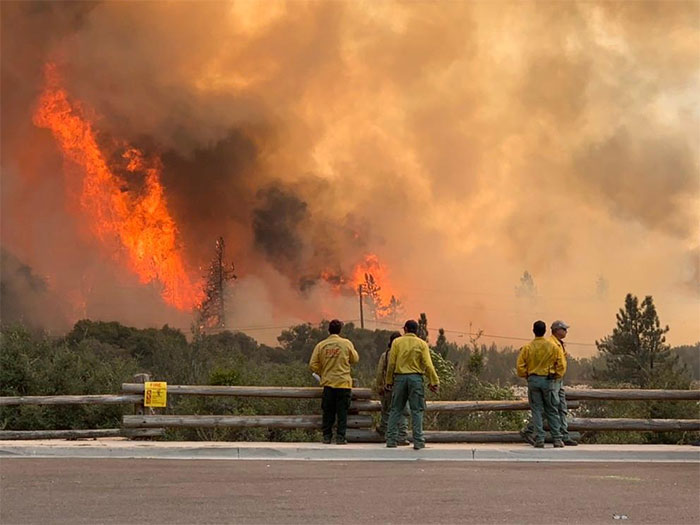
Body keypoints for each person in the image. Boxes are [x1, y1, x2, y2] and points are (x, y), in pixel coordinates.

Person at [520, 320, 578, 446]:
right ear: (546, 330)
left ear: (533, 331)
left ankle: (539, 438)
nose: (566, 331)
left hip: (533, 380)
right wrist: (557, 376)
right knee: (552, 409)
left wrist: (527, 376)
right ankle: (557, 439)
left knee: (537, 410)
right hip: (549, 381)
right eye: (564, 329)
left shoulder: (527, 347)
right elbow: (561, 364)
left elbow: (520, 367)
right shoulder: (552, 346)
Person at [385, 319, 439, 450]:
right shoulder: (422, 344)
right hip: (416, 379)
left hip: (399, 379)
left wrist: (388, 380)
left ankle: (391, 440)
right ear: (417, 330)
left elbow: (391, 363)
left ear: (405, 329)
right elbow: (428, 364)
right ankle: (418, 441)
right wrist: (434, 381)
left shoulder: (397, 342)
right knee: (417, 410)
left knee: (396, 409)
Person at [309, 319, 359, 445]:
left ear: (328, 330)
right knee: (342, 412)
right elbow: (355, 359)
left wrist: (323, 371)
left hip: (328, 383)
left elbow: (312, 364)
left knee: (328, 412)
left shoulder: (321, 345)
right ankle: (340, 438)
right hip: (343, 384)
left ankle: (327, 437)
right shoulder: (346, 344)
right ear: (340, 330)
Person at [374, 331, 409, 444]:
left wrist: (380, 386)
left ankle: (385, 431)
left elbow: (380, 372)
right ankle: (402, 436)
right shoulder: (404, 354)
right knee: (402, 411)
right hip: (402, 386)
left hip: (388, 387)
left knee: (387, 410)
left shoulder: (386, 355)